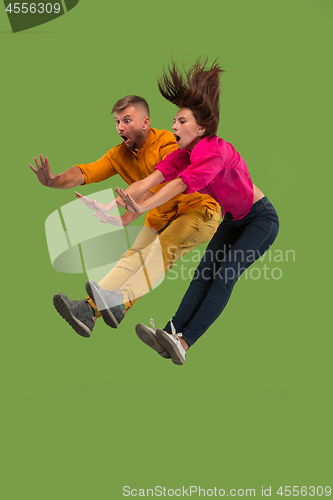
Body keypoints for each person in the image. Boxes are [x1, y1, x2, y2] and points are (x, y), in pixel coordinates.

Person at [110, 61, 279, 365]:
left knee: (224, 275)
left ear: (200, 128)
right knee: (203, 274)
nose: (173, 126)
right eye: (174, 120)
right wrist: (111, 205)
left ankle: (185, 342)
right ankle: (171, 332)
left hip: (261, 219)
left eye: (181, 121)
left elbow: (180, 184)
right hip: (234, 219)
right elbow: (151, 180)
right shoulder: (184, 153)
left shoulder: (213, 151)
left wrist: (144, 206)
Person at [29, 95, 220, 340]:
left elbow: (167, 181)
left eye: (127, 120)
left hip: (197, 210)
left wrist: (129, 213)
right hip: (159, 218)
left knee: (160, 251)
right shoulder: (118, 155)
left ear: (145, 122)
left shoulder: (167, 143)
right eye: (117, 121)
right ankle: (87, 310)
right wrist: (54, 181)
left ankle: (119, 303)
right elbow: (87, 171)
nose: (120, 126)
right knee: (130, 259)